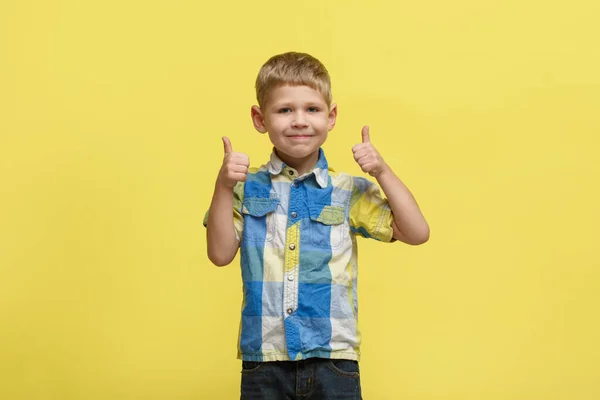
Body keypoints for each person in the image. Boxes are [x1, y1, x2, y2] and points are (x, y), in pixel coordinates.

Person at [205, 52, 429, 400]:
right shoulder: (243, 188)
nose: (299, 120)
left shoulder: (347, 191)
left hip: (333, 358)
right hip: (265, 358)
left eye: (312, 109)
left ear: (331, 116)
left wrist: (381, 172)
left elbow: (417, 233)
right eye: (284, 110)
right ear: (259, 118)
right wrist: (221, 186)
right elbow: (219, 254)